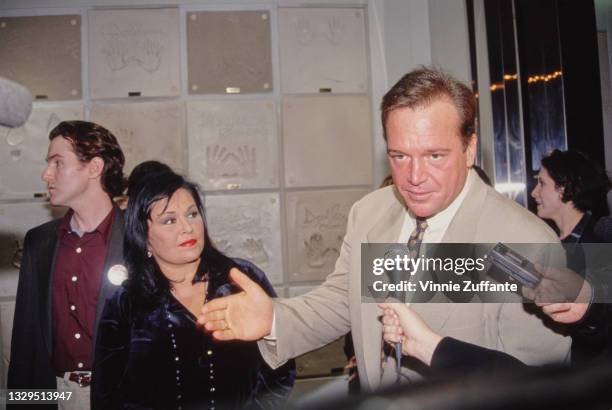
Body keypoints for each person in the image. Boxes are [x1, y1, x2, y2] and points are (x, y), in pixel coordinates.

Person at [198, 66, 571, 391]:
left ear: (469, 148)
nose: (415, 177)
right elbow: (342, 301)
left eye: (434, 156)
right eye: (400, 156)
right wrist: (274, 320)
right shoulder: (370, 213)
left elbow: (541, 388)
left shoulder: (527, 241)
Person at [91, 169, 295, 409]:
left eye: (192, 214)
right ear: (144, 237)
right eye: (169, 220)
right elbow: (106, 394)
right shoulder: (126, 301)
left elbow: (281, 364)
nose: (187, 228)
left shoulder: (241, 279)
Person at [8, 121, 126, 410]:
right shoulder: (39, 242)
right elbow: (26, 341)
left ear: (94, 168)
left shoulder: (139, 237)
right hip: (55, 395)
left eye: (57, 163)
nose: (46, 174)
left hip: (123, 397)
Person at [530, 149, 612, 363]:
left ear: (563, 187)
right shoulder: (547, 242)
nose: (533, 193)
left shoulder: (598, 246)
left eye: (542, 183)